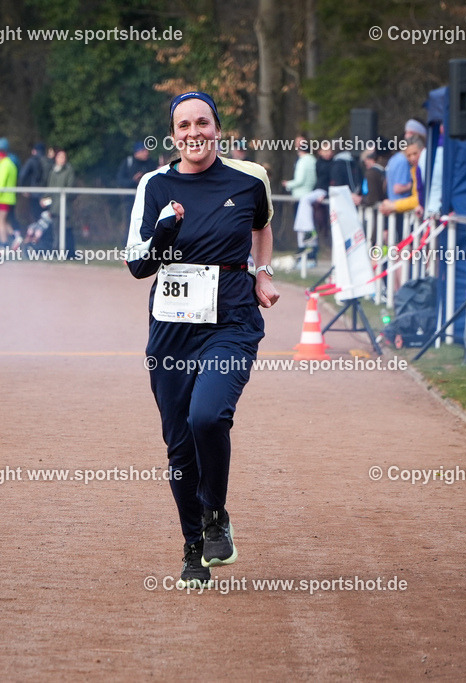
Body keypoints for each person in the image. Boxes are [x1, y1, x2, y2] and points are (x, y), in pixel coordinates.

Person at [126, 91, 279, 589]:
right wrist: (167, 229)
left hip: (231, 320)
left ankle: (215, 514)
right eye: (184, 125)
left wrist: (263, 272)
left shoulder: (250, 178)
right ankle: (194, 546)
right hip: (172, 330)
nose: (194, 132)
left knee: (208, 416)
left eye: (203, 123)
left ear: (218, 127)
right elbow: (137, 265)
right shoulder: (154, 185)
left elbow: (262, 226)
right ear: (174, 135)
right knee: (178, 446)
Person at [282, 135, 317, 258]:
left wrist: (288, 184)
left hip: (300, 196)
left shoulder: (303, 161)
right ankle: (311, 252)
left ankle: (303, 250)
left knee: (301, 226)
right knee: (308, 225)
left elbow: (300, 180)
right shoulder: (313, 160)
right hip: (309, 195)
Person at [45, 148, 75, 256]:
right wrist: (45, 198)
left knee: (66, 230)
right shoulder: (53, 171)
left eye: (64, 157)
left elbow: (70, 187)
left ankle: (67, 252)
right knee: (55, 230)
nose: (62, 159)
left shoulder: (69, 170)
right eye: (60, 157)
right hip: (54, 207)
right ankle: (55, 251)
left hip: (64, 207)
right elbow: (50, 188)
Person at [0, 141, 19, 248]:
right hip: (10, 197)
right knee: (6, 221)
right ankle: (15, 237)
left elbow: (1, 183)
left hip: (3, 198)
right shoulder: (11, 164)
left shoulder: (4, 165)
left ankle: (4, 243)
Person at [19, 142, 49, 222]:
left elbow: (23, 174)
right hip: (48, 194)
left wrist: (22, 188)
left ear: (34, 151)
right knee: (46, 218)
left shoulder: (32, 161)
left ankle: (37, 233)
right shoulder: (49, 161)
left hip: (35, 194)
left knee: (36, 217)